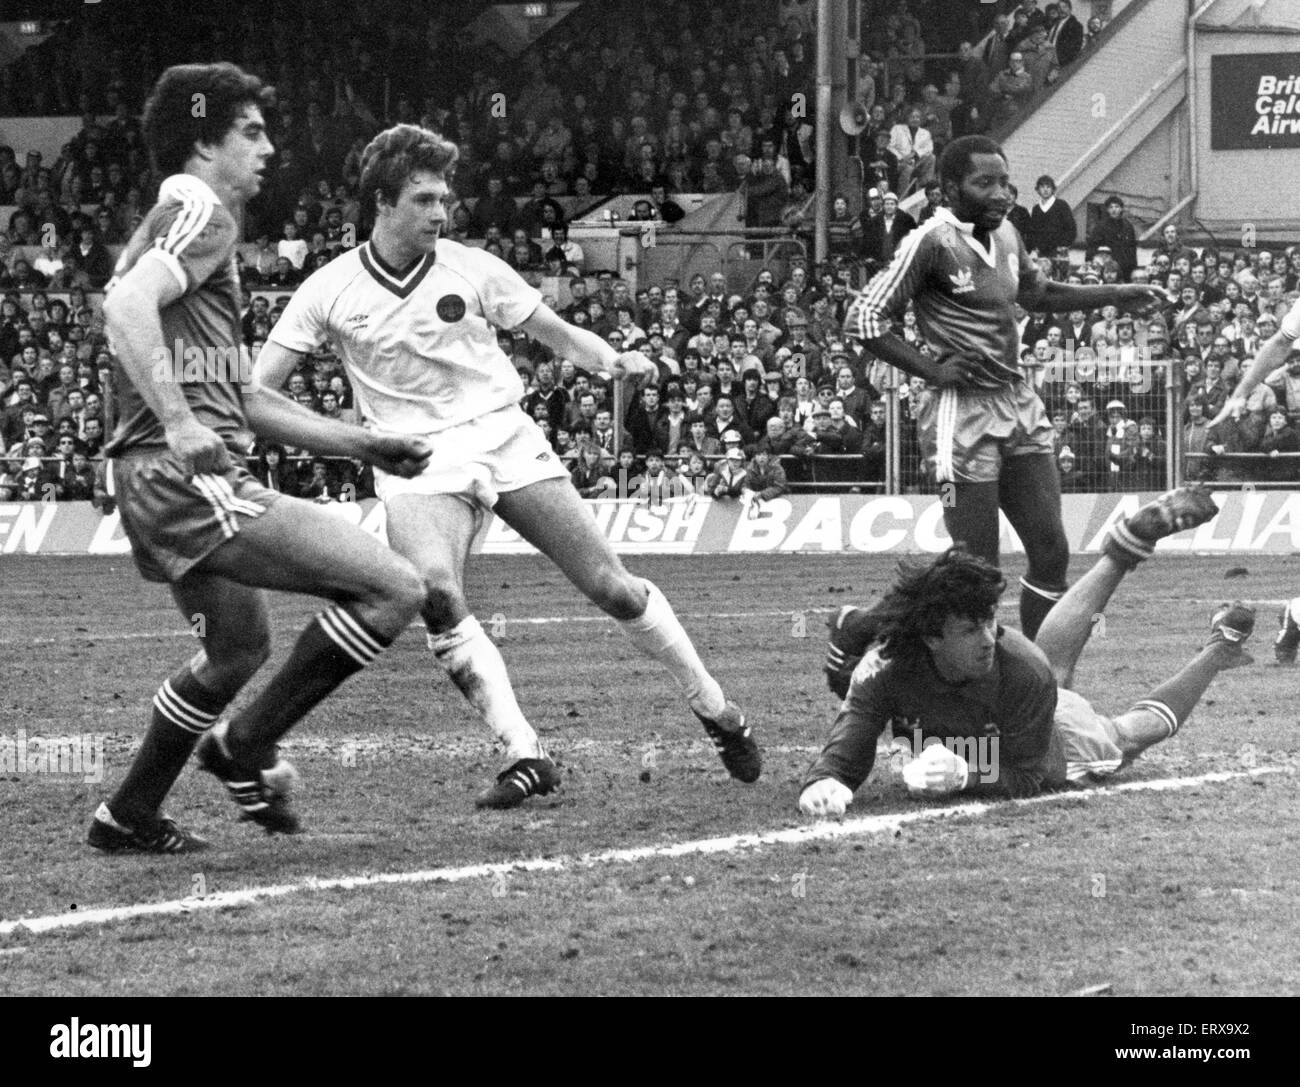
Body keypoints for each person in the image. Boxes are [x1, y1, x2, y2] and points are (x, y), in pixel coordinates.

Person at [258, 124, 760, 807]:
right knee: (434, 591)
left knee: (612, 587)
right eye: (425, 198)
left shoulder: (474, 267)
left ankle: (718, 710)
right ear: (382, 201)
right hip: (418, 462)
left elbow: (554, 333)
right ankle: (524, 752)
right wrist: (331, 437)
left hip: (505, 437)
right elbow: (261, 387)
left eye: (444, 198)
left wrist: (610, 358)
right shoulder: (328, 289)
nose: (442, 212)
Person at [85, 63, 433, 855]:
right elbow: (125, 305)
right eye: (251, 132)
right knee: (394, 587)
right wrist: (177, 422)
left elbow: (238, 396)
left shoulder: (181, 225)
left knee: (237, 647)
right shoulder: (199, 207)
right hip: (185, 477)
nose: (270, 148)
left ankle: (129, 811)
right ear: (203, 143)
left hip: (155, 476)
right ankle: (242, 748)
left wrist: (362, 442)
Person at [843, 135, 1169, 639]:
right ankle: (869, 630)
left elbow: (1037, 294)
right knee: (976, 568)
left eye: (1004, 181)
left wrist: (1118, 293)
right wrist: (931, 371)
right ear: (950, 189)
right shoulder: (928, 243)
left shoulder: (1011, 233)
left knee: (1052, 551)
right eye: (984, 182)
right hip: (959, 416)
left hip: (1017, 403)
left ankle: (1038, 673)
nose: (1000, 193)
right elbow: (862, 318)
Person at [801, 487, 1250, 815]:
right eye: (970, 629)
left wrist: (967, 775)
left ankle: (1218, 647)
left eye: (991, 622)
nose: (988, 637)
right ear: (931, 637)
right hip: (1004, 711)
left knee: (1125, 735)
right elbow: (846, 752)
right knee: (1048, 666)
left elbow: (1031, 776)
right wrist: (826, 784)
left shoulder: (1017, 666)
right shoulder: (884, 668)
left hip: (1054, 740)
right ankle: (1126, 545)